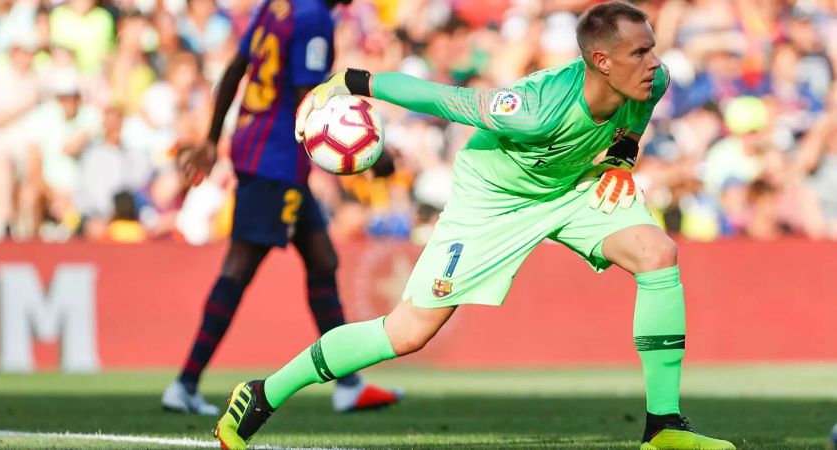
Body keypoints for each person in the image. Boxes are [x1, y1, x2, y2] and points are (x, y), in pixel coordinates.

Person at [209, 3, 737, 449]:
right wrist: (352, 80)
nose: (654, 62)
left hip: (574, 185)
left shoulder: (656, 80)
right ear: (601, 61)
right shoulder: (532, 111)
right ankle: (262, 393)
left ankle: (663, 426)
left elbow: (632, 122)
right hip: (493, 200)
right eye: (639, 53)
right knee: (407, 332)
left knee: (657, 253)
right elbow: (443, 98)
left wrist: (622, 156)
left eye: (651, 48)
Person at [165, 0, 402, 416]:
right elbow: (307, 98)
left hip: (260, 150)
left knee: (322, 261)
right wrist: (373, 154)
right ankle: (185, 383)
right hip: (274, 161)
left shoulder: (276, 6)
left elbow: (237, 68)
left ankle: (348, 383)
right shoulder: (313, 18)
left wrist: (212, 138)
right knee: (238, 268)